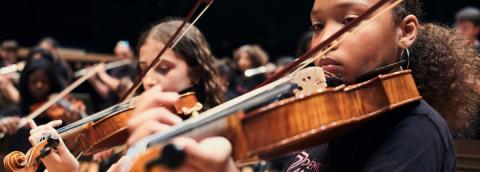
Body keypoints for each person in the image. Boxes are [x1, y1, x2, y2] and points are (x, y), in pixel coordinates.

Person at [29, 0, 480, 171]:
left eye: (349, 20)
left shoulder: (416, 132)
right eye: (317, 24)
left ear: (406, 30)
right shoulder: (320, 116)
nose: (324, 42)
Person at [26, 19, 225, 171]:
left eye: (163, 68)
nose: (149, 80)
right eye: (143, 70)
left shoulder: (213, 141)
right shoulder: (137, 146)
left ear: (196, 74)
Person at [88, 40, 135, 107]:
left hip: (126, 107)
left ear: (131, 52)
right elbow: (107, 94)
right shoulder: (116, 70)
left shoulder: (134, 68)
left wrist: (102, 74)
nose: (121, 57)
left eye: (124, 54)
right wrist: (94, 80)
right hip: (113, 107)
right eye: (118, 54)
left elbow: (121, 87)